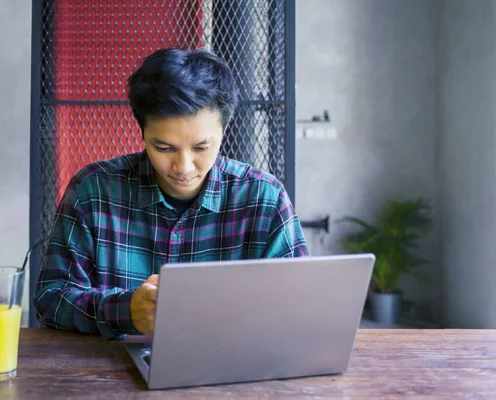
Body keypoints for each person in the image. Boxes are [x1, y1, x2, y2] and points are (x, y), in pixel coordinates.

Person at [33, 48, 309, 339]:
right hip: (114, 372)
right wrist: (125, 311)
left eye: (202, 148)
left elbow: (300, 305)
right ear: (142, 132)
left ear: (224, 129)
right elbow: (51, 300)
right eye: (164, 148)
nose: (184, 167)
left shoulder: (264, 200)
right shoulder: (93, 192)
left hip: (234, 367)